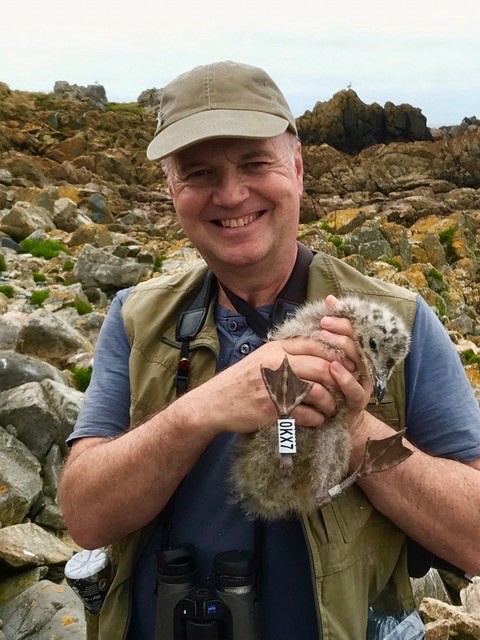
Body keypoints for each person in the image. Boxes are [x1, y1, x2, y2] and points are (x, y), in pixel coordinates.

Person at [60, 61, 480, 640]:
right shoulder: (137, 318)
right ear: (171, 189)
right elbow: (84, 517)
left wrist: (355, 431)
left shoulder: (399, 322)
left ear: (299, 169)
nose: (231, 194)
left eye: (255, 164)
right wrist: (201, 409)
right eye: (199, 172)